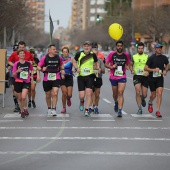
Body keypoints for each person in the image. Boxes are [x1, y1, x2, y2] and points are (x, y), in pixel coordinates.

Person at [37, 44, 65, 116]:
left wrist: (62, 71)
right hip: (47, 78)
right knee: (48, 95)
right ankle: (49, 108)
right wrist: (42, 69)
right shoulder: (44, 58)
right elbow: (38, 67)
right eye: (53, 49)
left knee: (55, 93)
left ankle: (54, 109)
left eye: (55, 49)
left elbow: (61, 65)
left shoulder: (59, 58)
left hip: (56, 77)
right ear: (49, 50)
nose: (55, 50)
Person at [105, 40, 131, 117]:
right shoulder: (112, 54)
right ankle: (116, 102)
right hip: (113, 76)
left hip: (122, 76)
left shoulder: (126, 55)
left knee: (121, 93)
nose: (119, 47)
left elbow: (129, 63)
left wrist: (128, 67)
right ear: (116, 47)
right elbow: (106, 64)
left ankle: (120, 110)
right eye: (118, 46)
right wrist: (111, 67)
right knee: (115, 94)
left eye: (121, 46)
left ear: (122, 47)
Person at [73, 41, 98, 116]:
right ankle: (81, 101)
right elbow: (74, 61)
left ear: (90, 47)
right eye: (85, 46)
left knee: (89, 93)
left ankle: (86, 109)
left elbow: (96, 63)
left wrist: (95, 67)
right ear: (83, 47)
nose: (86, 47)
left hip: (90, 76)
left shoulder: (93, 55)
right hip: (81, 76)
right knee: (81, 95)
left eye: (88, 46)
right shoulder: (79, 54)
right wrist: (77, 68)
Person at [144, 43, 169, 117]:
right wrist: (154, 70)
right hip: (151, 79)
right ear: (155, 49)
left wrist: (165, 71)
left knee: (160, 93)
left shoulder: (164, 57)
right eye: (158, 48)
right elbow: (145, 68)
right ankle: (150, 102)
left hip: (160, 78)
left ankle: (158, 110)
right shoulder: (151, 58)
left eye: (160, 48)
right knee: (153, 95)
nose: (159, 49)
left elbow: (167, 65)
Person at [8, 41, 33, 113]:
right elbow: (9, 61)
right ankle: (17, 104)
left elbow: (32, 64)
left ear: (25, 47)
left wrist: (31, 76)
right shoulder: (14, 54)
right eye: (20, 47)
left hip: (25, 78)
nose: (21, 49)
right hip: (16, 76)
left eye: (23, 48)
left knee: (23, 96)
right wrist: (15, 67)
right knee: (15, 92)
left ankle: (23, 108)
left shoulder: (28, 54)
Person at [12, 49, 33, 118]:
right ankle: (22, 111)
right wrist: (17, 71)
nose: (22, 55)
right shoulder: (16, 64)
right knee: (20, 98)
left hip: (26, 82)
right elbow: (13, 75)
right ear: (18, 55)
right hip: (18, 82)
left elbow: (32, 69)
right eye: (20, 53)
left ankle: (25, 108)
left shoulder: (28, 63)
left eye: (23, 53)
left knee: (24, 97)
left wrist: (31, 76)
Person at [130, 42, 149, 115]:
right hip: (137, 76)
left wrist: (148, 72)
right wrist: (132, 70)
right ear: (137, 49)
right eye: (139, 48)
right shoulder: (134, 56)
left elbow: (149, 67)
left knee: (144, 94)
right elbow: (131, 65)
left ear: (143, 49)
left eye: (141, 48)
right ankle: (139, 108)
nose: (140, 50)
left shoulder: (147, 57)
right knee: (138, 92)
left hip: (145, 76)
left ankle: (143, 98)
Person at [89, 42, 105, 114]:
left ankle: (96, 106)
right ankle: (91, 106)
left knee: (97, 94)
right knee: (91, 93)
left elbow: (104, 71)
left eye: (95, 54)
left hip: (98, 78)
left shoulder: (100, 60)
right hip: (90, 78)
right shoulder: (88, 61)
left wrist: (100, 70)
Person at [60, 46, 77, 113]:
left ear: (68, 52)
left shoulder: (71, 59)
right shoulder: (59, 59)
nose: (65, 53)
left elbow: (75, 65)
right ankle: (64, 107)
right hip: (62, 77)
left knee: (69, 94)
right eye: (63, 52)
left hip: (69, 77)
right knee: (64, 93)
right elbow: (58, 67)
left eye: (66, 52)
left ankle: (68, 98)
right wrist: (61, 73)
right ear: (62, 52)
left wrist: (76, 69)